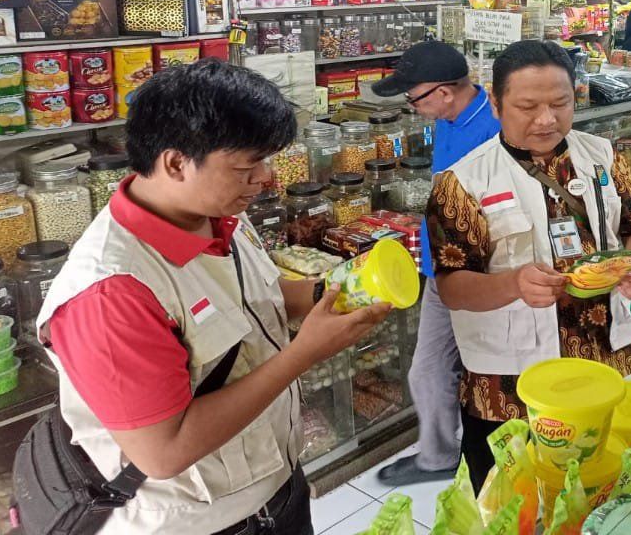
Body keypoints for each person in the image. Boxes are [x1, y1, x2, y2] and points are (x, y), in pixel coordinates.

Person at [29, 60, 389, 535]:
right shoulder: (111, 292)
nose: (267, 179)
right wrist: (306, 353)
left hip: (274, 486)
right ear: (176, 163)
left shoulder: (214, 213)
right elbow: (164, 451)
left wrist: (333, 292)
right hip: (201, 523)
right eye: (248, 165)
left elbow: (252, 295)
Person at [425, 40, 631, 492]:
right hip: (511, 383)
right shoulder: (462, 183)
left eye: (560, 103)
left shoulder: (604, 158)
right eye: (528, 106)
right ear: (495, 103)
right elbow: (453, 287)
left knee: (606, 489)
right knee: (511, 502)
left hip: (608, 360)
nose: (547, 119)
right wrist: (514, 284)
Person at [371, 41, 500, 486]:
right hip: (438, 267)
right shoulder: (448, 119)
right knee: (432, 369)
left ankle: (454, 457)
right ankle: (442, 453)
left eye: (414, 98)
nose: (412, 107)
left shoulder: (494, 127)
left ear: (444, 92)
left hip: (477, 273)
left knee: (461, 369)